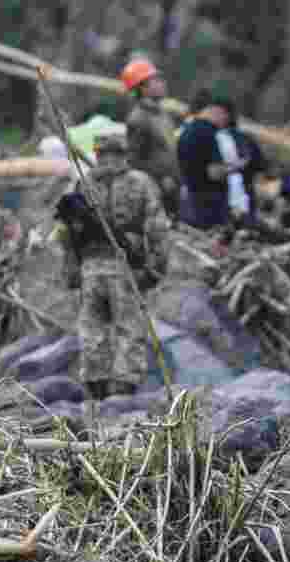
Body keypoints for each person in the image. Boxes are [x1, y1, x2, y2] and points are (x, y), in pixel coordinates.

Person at [54, 133, 171, 400]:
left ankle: (96, 384)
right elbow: (157, 228)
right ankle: (123, 386)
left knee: (92, 325)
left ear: (97, 154)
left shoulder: (82, 185)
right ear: (124, 153)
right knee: (129, 326)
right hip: (124, 266)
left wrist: (71, 270)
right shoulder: (140, 183)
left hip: (90, 266)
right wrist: (156, 268)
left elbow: (65, 233)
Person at [121, 58, 181, 214]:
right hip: (154, 193)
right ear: (142, 88)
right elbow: (134, 160)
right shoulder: (138, 119)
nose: (162, 83)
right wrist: (160, 178)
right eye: (156, 80)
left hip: (171, 189)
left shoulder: (163, 115)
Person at [177, 92, 236, 233]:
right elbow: (214, 172)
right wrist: (232, 168)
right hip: (207, 208)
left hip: (189, 204)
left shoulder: (187, 131)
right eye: (226, 119)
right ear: (219, 112)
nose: (223, 125)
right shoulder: (207, 133)